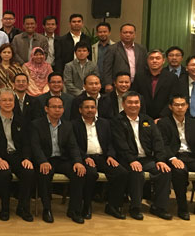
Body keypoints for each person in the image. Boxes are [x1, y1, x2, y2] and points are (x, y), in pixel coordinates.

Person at [112, 91, 172, 220]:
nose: (133, 105)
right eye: (130, 102)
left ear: (140, 104)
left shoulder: (147, 120)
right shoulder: (117, 121)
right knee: (136, 173)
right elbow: (120, 144)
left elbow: (158, 141)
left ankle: (159, 207)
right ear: (123, 104)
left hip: (147, 159)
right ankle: (135, 207)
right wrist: (132, 160)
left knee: (164, 171)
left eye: (136, 102)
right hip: (126, 160)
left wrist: (160, 160)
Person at [31, 96, 87, 224]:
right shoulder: (36, 124)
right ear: (46, 109)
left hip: (62, 159)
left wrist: (78, 161)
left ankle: (74, 210)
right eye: (54, 107)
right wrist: (42, 161)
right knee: (44, 173)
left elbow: (73, 146)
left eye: (60, 107)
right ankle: (47, 209)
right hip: (45, 159)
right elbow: (35, 146)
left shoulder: (67, 125)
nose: (57, 110)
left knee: (79, 173)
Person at [0, 88, 34, 222]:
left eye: (10, 100)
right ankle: (5, 208)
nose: (7, 103)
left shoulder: (22, 120)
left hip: (17, 156)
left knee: (28, 171)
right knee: (4, 174)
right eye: (4, 100)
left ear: (14, 102)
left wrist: (27, 158)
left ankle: (23, 207)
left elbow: (27, 142)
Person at [73, 97, 128, 220]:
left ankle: (113, 206)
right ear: (80, 110)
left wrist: (111, 156)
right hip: (85, 158)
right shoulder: (74, 124)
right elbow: (73, 145)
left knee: (121, 173)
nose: (90, 110)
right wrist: (84, 157)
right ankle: (86, 206)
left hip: (103, 157)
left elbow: (111, 143)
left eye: (92, 107)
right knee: (91, 174)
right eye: (86, 107)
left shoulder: (105, 123)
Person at [157, 95, 195, 220]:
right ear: (170, 107)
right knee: (179, 172)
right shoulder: (164, 123)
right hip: (175, 156)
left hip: (191, 156)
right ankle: (182, 208)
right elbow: (164, 144)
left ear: (187, 106)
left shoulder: (193, 122)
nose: (180, 108)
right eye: (176, 105)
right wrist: (172, 158)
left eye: (182, 105)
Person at [131, 49, 179, 119]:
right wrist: (142, 115)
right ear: (147, 61)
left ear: (163, 61)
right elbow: (135, 95)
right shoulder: (139, 76)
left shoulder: (172, 78)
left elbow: (173, 99)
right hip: (142, 117)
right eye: (151, 58)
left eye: (158, 58)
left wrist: (162, 116)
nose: (154, 61)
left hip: (164, 118)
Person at [102, 23, 148, 91]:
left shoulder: (141, 49)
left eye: (130, 32)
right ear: (120, 34)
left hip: (138, 85)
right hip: (119, 85)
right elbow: (107, 68)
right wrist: (108, 84)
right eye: (125, 32)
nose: (128, 35)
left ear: (135, 34)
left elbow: (145, 67)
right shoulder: (112, 49)